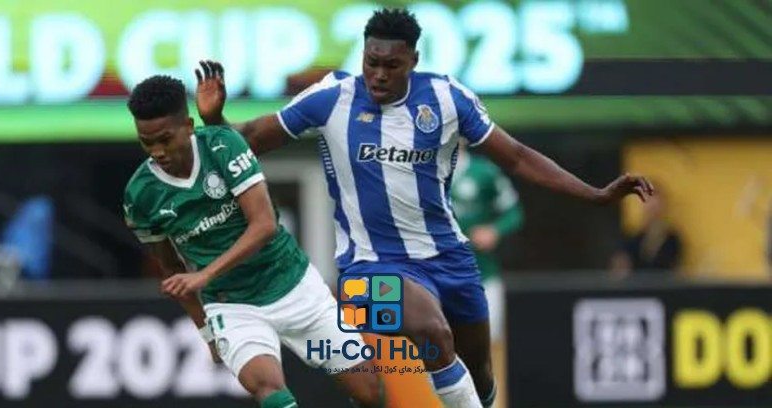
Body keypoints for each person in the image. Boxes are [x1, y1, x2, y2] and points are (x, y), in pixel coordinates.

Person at [193, 8, 653, 408]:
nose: (378, 74)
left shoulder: (448, 99)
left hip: (450, 260)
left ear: (414, 60)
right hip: (367, 268)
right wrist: (215, 121)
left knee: (479, 375)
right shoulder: (332, 98)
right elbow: (250, 139)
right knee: (432, 332)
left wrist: (595, 193)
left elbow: (516, 157)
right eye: (371, 62)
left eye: (391, 65)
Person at [122, 75, 383, 408]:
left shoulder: (223, 145)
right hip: (233, 306)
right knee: (268, 389)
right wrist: (207, 333)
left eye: (165, 139)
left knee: (369, 392)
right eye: (147, 143)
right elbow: (172, 270)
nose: (157, 151)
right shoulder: (140, 195)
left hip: (293, 285)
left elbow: (264, 225)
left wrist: (204, 275)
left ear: (187, 126)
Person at [450, 143, 523, 345]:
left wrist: (494, 230)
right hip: (436, 277)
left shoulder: (484, 171)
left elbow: (514, 212)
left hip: (483, 275)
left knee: (488, 342)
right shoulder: (420, 172)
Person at [610, 185, 681, 276]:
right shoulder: (634, 238)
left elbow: (671, 269)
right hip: (637, 283)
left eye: (654, 206)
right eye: (648, 204)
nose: (651, 209)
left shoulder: (672, 239)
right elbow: (620, 264)